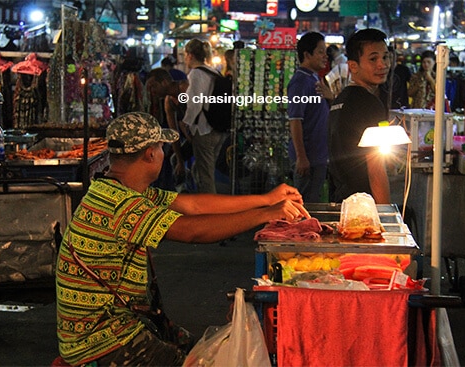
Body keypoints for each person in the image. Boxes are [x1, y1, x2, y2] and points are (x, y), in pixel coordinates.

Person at [55, 112, 309, 367]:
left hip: (117, 325)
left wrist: (267, 199)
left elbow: (193, 205)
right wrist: (265, 213)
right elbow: (191, 230)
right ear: (150, 154)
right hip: (102, 341)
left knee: (205, 349)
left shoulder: (115, 190)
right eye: (161, 147)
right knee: (204, 361)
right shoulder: (120, 205)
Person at [327, 28, 392, 204]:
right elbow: (376, 167)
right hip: (365, 204)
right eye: (373, 59)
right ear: (353, 66)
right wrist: (384, 215)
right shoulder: (370, 104)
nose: (382, 65)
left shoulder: (340, 100)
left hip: (343, 200)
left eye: (385, 57)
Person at [287, 31, 333, 203]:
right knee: (305, 205)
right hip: (309, 157)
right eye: (320, 51)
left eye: (325, 52)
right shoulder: (300, 82)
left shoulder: (314, 78)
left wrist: (332, 97)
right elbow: (295, 120)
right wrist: (301, 157)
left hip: (318, 155)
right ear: (307, 55)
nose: (325, 56)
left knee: (313, 202)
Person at [180, 38, 228, 193]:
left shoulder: (196, 74)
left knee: (205, 174)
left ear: (190, 55)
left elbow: (195, 102)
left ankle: (209, 210)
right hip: (218, 128)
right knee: (201, 169)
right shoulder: (214, 71)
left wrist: (186, 122)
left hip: (204, 129)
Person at [381, 46, 411, 110]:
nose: (388, 60)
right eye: (386, 57)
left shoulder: (404, 70)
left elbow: (411, 84)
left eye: (390, 57)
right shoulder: (381, 70)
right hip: (384, 104)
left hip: (401, 104)